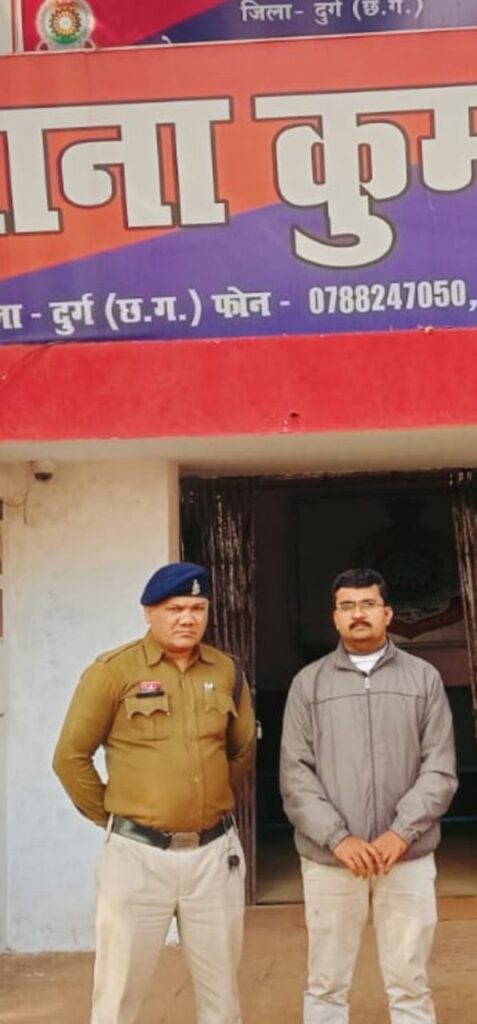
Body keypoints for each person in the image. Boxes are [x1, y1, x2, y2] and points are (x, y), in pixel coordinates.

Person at [53, 561, 255, 1024]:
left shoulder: (227, 670)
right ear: (149, 612)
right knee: (118, 995)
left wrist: (205, 802)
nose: (187, 618)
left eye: (197, 608)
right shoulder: (112, 671)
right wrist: (117, 816)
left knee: (222, 996)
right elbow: (70, 757)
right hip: (137, 858)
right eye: (174, 609)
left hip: (213, 856)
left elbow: (241, 750)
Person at [280, 567, 458, 1024]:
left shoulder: (423, 679)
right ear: (335, 617)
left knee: (410, 983)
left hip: (407, 858)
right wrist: (338, 838)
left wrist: (400, 833)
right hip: (332, 860)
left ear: (388, 613)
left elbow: (439, 769)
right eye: (347, 606)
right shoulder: (308, 684)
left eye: (368, 604)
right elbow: (295, 776)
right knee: (326, 983)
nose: (358, 614)